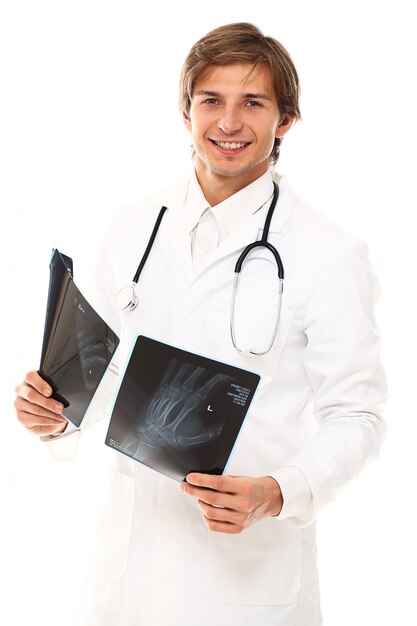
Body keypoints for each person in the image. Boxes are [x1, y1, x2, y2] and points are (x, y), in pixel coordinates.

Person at [14, 22, 387, 626]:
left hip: (248, 579)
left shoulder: (329, 251)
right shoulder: (133, 224)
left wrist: (279, 490)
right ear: (185, 111)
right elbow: (86, 376)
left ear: (284, 121)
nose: (229, 123)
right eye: (211, 99)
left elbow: (359, 416)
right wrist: (50, 417)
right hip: (127, 579)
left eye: (253, 103)